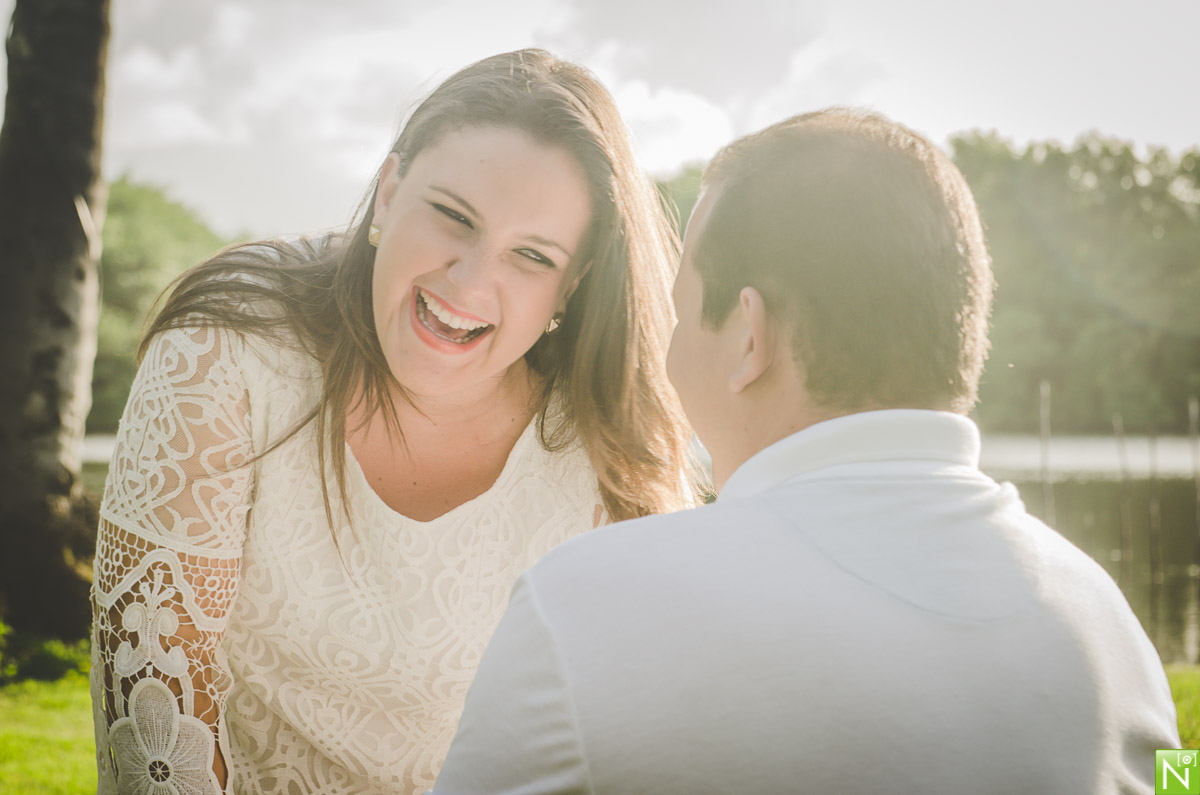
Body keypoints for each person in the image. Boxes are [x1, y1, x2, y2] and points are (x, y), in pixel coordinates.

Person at [432, 108, 1180, 794]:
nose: (666, 348)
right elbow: (1186, 783)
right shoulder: (1117, 635)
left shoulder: (582, 607)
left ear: (748, 337)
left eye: (681, 313)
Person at [89, 49, 698, 795]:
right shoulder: (229, 348)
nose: (470, 281)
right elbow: (154, 723)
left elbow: (630, 738)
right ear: (387, 193)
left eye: (532, 256)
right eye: (453, 216)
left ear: (569, 289)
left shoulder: (608, 445)